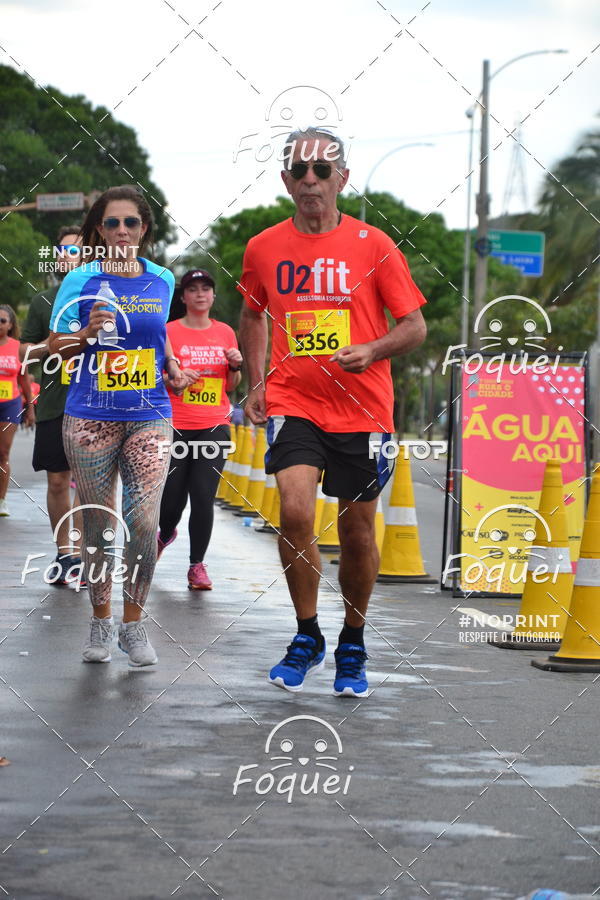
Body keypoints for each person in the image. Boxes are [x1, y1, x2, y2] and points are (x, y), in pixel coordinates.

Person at [238, 127, 427, 697]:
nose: (311, 180)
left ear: (343, 178)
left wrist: (372, 350)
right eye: (300, 171)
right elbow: (252, 315)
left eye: (322, 170)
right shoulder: (263, 247)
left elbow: (414, 326)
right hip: (294, 401)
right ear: (286, 182)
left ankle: (353, 638)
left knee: (357, 529)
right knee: (294, 511)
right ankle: (306, 634)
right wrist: (255, 382)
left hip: (364, 409)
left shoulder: (374, 245)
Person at [48, 185, 188, 667]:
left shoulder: (162, 280)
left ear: (144, 229)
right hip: (90, 415)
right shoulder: (80, 279)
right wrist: (84, 334)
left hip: (150, 412)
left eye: (131, 223)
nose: (123, 231)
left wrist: (172, 366)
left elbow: (159, 337)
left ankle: (134, 624)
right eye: (112, 223)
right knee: (97, 522)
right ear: (99, 231)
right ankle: (100, 622)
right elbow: (54, 346)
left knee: (144, 520)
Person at [157, 268, 242, 589]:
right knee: (172, 501)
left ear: (213, 296)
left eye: (206, 288)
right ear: (183, 297)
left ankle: (197, 566)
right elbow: (156, 380)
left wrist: (235, 365)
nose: (200, 294)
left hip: (214, 426)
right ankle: (164, 534)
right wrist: (174, 379)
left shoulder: (225, 333)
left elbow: (232, 385)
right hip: (175, 426)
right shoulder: (168, 332)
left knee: (203, 496)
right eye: (193, 289)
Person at [20, 226, 84, 582]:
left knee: (92, 486)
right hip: (55, 404)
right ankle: (65, 555)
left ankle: (87, 554)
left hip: (98, 405)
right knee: (58, 482)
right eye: (62, 250)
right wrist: (51, 344)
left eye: (75, 250)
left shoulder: (104, 295)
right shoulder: (44, 300)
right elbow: (25, 353)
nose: (66, 256)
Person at [0, 304, 34, 516]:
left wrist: (30, 408)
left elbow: (24, 380)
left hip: (10, 404)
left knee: (2, 453)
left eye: (3, 320)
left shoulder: (17, 347)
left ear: (11, 324)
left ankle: (1, 500)